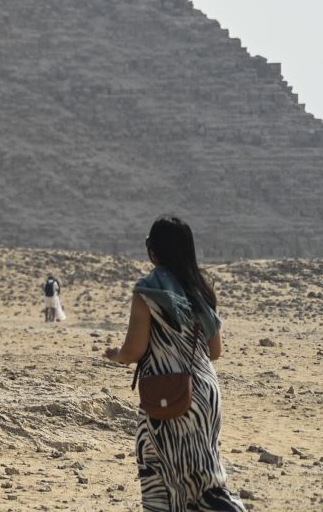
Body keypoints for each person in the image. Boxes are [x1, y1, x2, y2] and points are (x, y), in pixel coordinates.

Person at [102, 216, 243, 512]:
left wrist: (116, 355)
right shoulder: (202, 290)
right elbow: (215, 351)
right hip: (205, 394)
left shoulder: (148, 291)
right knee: (206, 479)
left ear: (154, 251)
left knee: (161, 477)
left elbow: (134, 350)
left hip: (166, 394)